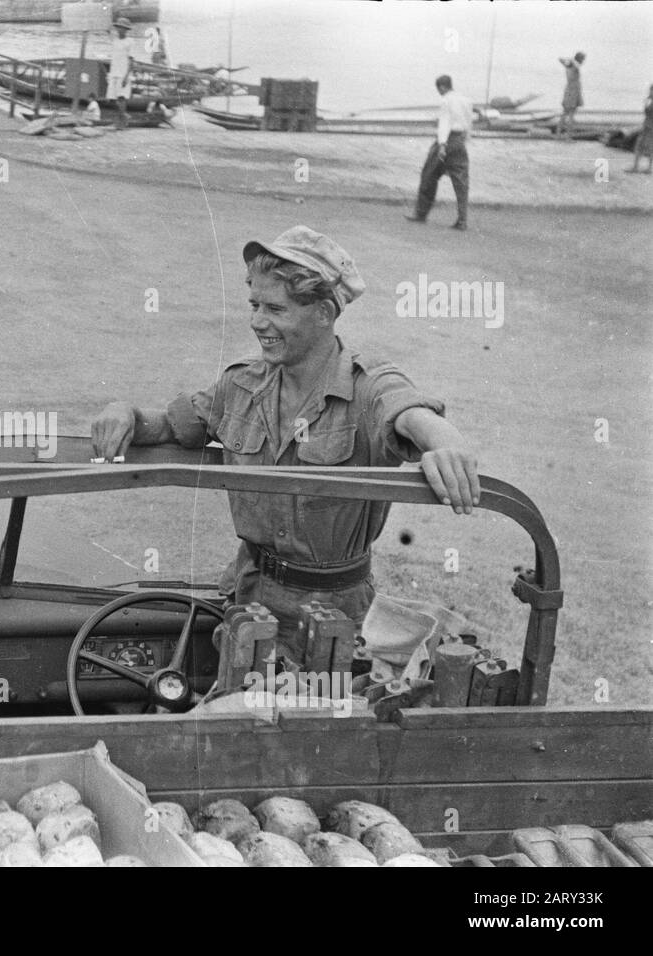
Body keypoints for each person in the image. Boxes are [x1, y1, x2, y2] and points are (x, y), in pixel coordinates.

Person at [89, 226, 479, 666]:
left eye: (276, 308)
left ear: (324, 312)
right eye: (255, 305)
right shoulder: (241, 385)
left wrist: (446, 444)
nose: (258, 321)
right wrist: (124, 412)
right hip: (248, 603)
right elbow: (166, 425)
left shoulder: (367, 386)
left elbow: (411, 413)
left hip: (337, 620)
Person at [405, 74, 473, 231]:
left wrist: (442, 146)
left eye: (439, 89)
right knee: (461, 182)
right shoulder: (466, 100)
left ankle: (421, 213)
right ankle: (462, 220)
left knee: (428, 175)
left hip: (446, 141)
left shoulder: (445, 100)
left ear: (442, 87)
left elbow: (444, 123)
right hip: (459, 142)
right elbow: (469, 123)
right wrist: (465, 141)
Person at [107, 16, 134, 129]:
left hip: (123, 74)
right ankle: (124, 116)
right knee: (111, 99)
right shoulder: (115, 40)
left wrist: (126, 76)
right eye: (118, 27)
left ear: (126, 30)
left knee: (121, 98)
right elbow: (107, 30)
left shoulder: (130, 42)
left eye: (122, 28)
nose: (120, 30)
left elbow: (132, 61)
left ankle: (119, 122)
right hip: (114, 73)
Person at [558, 51, 585, 139]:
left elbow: (561, 59)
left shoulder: (569, 66)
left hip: (570, 89)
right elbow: (561, 59)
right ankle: (568, 136)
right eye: (582, 59)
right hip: (573, 90)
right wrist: (573, 61)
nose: (583, 61)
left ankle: (558, 134)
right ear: (579, 59)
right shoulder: (574, 66)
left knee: (565, 113)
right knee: (571, 115)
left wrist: (571, 60)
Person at [629, 83, 653, 174]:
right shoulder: (650, 101)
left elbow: (648, 113)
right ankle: (645, 167)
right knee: (644, 146)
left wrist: (647, 104)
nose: (649, 92)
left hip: (649, 127)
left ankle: (639, 167)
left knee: (643, 146)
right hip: (647, 126)